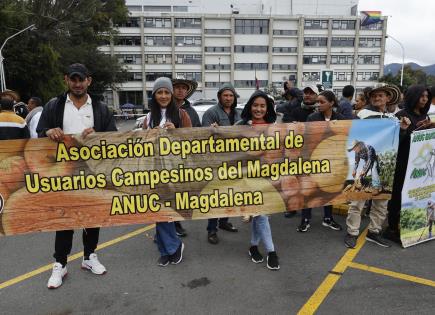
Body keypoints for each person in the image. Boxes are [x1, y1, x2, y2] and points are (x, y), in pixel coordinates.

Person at [37, 63, 117, 289]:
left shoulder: (100, 108)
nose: (78, 83)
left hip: (93, 173)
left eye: (81, 79)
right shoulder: (55, 105)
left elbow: (114, 137)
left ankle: (89, 257)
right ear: (67, 80)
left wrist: (99, 135)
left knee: (93, 216)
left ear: (88, 81)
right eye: (74, 79)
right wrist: (48, 132)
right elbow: (39, 131)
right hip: (63, 174)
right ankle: (59, 264)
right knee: (65, 219)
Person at [344, 83, 411, 249]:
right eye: (374, 95)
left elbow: (396, 144)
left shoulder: (392, 119)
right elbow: (353, 137)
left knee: (381, 201)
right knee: (358, 200)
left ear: (388, 98)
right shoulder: (362, 115)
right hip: (362, 164)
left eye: (381, 95)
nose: (377, 98)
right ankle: (352, 232)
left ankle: (374, 231)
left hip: (384, 166)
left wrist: (402, 130)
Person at [143, 76, 190, 266]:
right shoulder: (148, 117)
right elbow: (140, 146)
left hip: (175, 170)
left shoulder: (181, 114)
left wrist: (177, 131)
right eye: (159, 92)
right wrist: (148, 135)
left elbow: (193, 141)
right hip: (154, 170)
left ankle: (172, 247)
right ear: (154, 95)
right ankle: (167, 248)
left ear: (171, 94)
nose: (163, 96)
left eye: (166, 92)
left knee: (167, 210)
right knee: (158, 210)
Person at [236, 90, 280, 270]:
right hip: (247, 178)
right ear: (250, 107)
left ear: (268, 108)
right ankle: (271, 252)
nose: (259, 109)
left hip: (268, 177)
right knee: (261, 215)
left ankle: (253, 247)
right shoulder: (240, 125)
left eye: (263, 105)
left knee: (257, 214)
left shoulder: (276, 126)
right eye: (255, 105)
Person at [384, 85, 432, 243]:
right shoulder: (401, 115)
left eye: (426, 96)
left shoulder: (425, 117)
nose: (424, 99)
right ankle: (391, 229)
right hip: (402, 164)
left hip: (419, 166)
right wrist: (405, 130)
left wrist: (430, 128)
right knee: (398, 196)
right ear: (413, 97)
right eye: (421, 96)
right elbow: (393, 142)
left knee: (416, 195)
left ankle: (410, 226)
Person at [294, 91, 344, 233]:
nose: (318, 105)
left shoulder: (340, 118)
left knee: (329, 189)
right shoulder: (312, 117)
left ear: (331, 103)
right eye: (318, 102)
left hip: (332, 161)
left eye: (322, 102)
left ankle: (328, 218)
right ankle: (305, 219)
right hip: (313, 160)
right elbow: (307, 137)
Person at [202, 83, 240, 244]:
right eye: (225, 95)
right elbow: (202, 136)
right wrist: (210, 130)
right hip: (217, 162)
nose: (228, 98)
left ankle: (224, 221)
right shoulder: (211, 113)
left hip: (234, 160)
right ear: (219, 97)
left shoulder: (238, 113)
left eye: (231, 95)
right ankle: (211, 229)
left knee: (230, 194)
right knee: (216, 197)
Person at [171, 77, 200, 237]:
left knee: (181, 193)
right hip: (166, 160)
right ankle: (166, 226)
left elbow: (197, 133)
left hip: (185, 159)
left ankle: (177, 221)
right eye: (177, 87)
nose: (181, 90)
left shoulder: (192, 111)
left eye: (184, 88)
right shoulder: (163, 109)